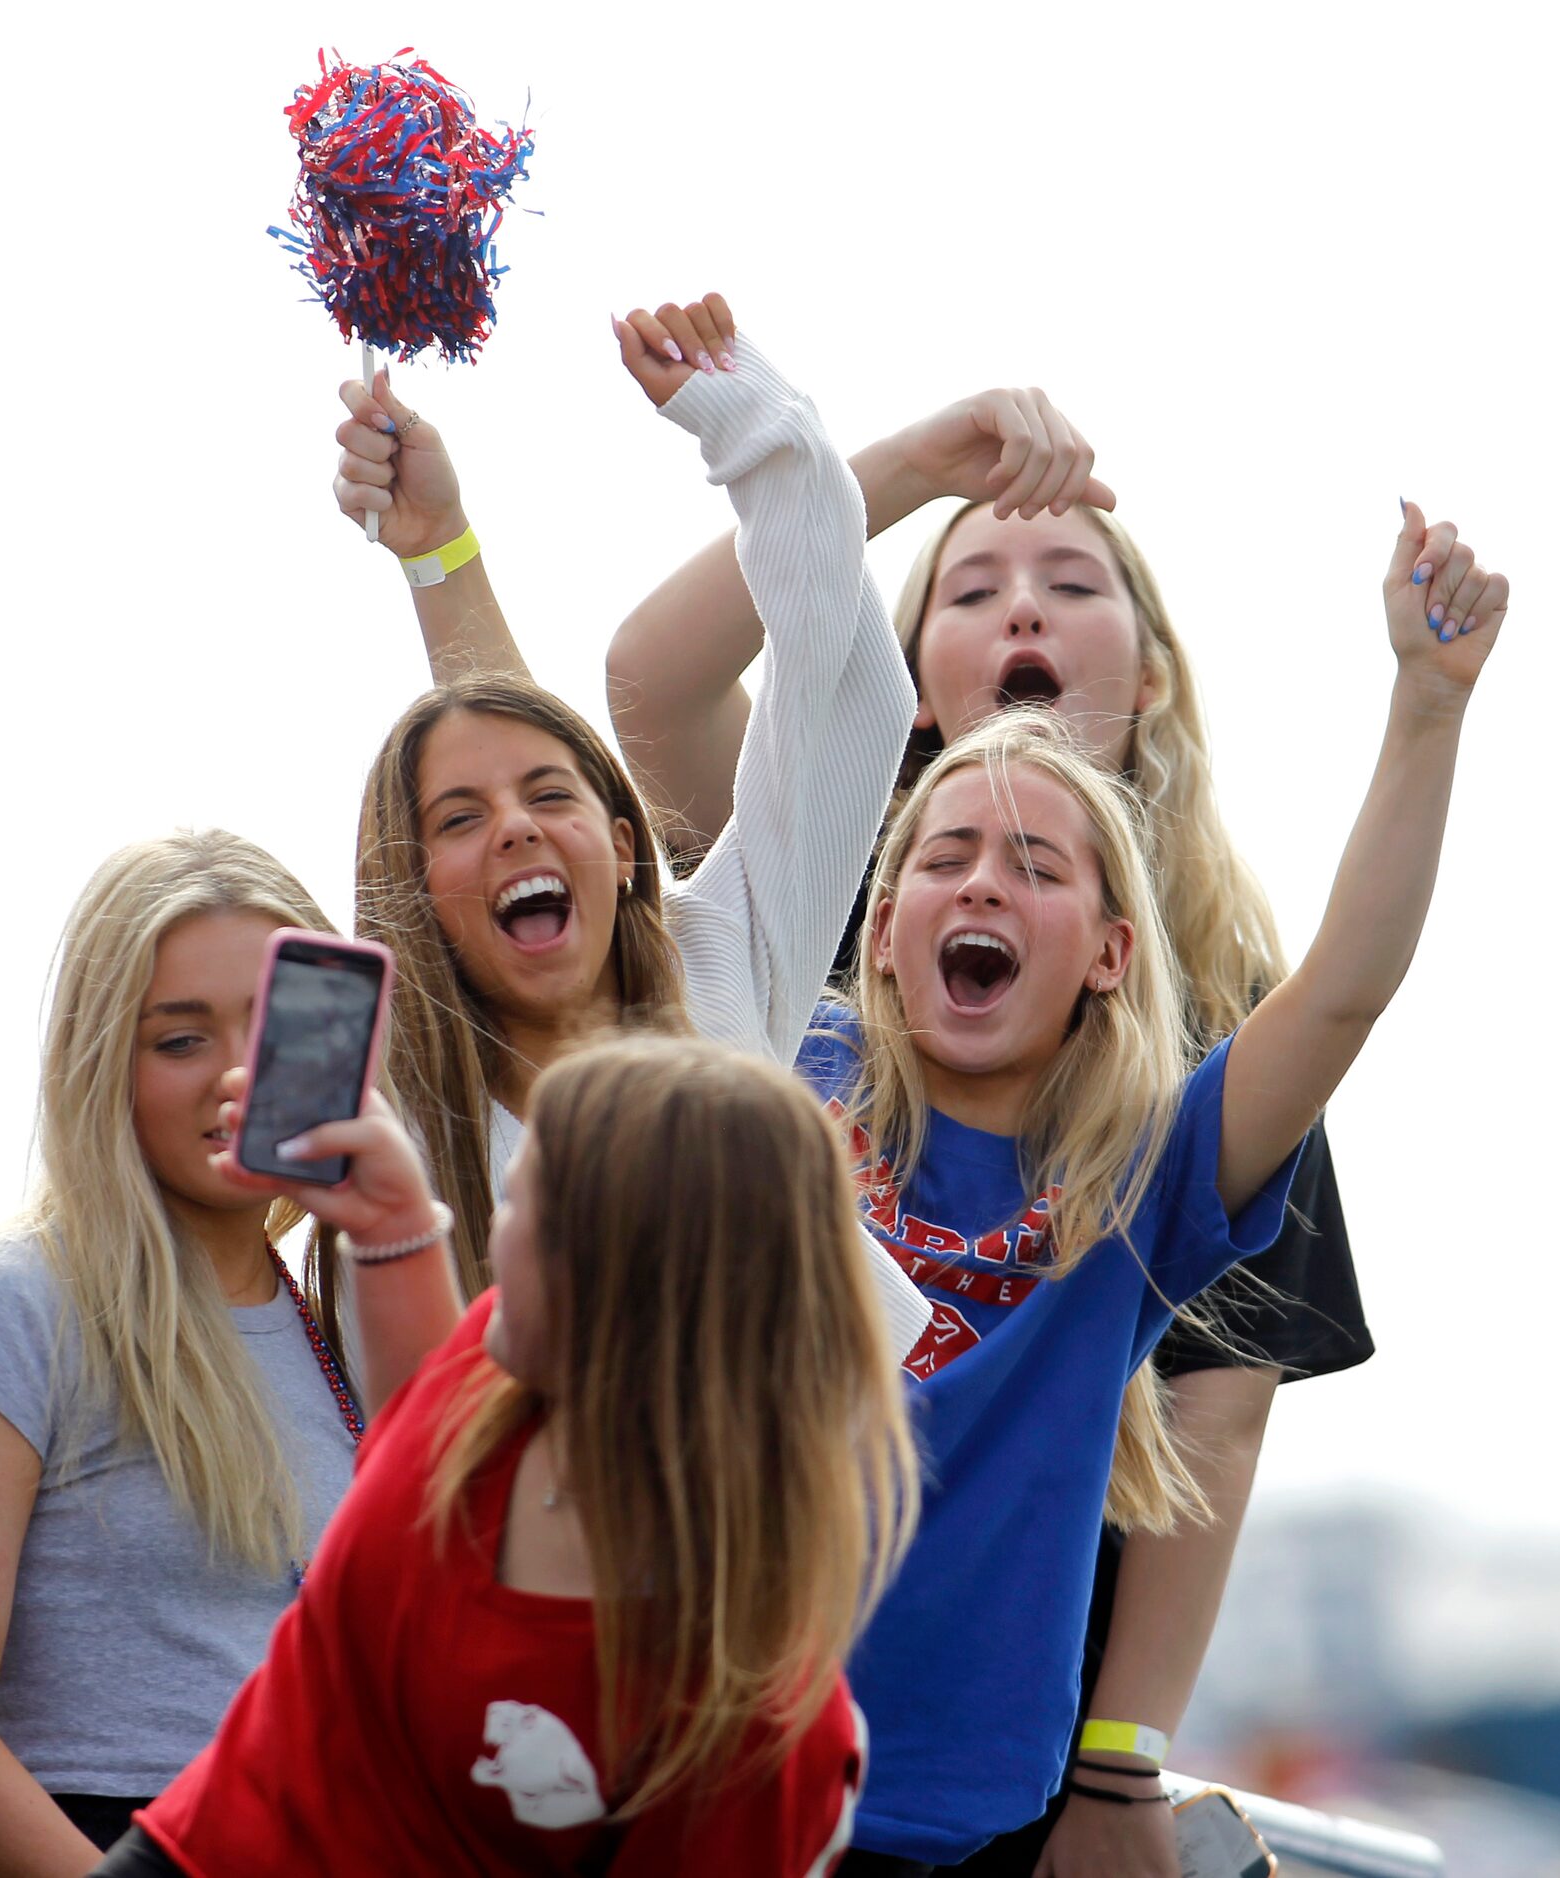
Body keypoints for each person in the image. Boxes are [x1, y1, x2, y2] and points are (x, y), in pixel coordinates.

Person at [604, 397, 1374, 1873]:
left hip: (1002, 1747)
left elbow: (1218, 1404)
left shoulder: (1223, 1009)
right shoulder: (819, 886)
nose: (1022, 600)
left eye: (1073, 582)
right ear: (904, 683)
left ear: (1151, 675)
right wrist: (898, 471)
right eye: (970, 587)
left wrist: (1119, 1759)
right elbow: (647, 682)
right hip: (737, 1696)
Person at [787, 500, 1504, 1870]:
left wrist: (1424, 705)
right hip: (728, 1785)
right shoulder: (778, 1075)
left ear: (1112, 952)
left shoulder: (1139, 1180)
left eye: (1035, 863)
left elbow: (1341, 990)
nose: (982, 880)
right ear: (879, 929)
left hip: (962, 1829)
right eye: (944, 856)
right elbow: (651, 718)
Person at [96, 1033, 920, 1876]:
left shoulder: (761, 1721)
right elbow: (411, 1476)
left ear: (618, 1281)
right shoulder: (487, 1377)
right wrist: (391, 1222)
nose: (492, 1233)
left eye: (523, 1204)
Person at [328, 292, 930, 1361]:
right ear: (413, 893)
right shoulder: (397, 1153)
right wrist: (431, 556)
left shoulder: (716, 974)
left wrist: (755, 426)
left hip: (836, 1523)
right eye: (459, 820)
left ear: (621, 845)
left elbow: (844, 698)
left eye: (552, 798)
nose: (514, 828)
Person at [0, 831, 457, 1877]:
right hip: (111, 1839)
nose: (234, 1074)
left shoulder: (343, 1318)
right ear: (102, 1059)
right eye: (179, 1041)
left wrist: (394, 1228)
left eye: (269, 1033)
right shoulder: (14, 1300)